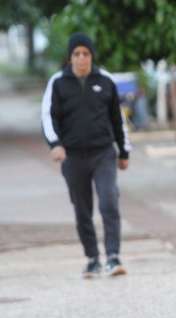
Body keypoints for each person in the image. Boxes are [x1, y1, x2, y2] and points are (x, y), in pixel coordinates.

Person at [41, 32, 131, 278]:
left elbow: (117, 119)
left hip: (103, 153)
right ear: (70, 58)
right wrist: (55, 144)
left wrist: (124, 151)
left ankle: (113, 256)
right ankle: (92, 258)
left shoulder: (106, 81)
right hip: (72, 156)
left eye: (86, 54)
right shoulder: (57, 83)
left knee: (109, 201)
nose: (81, 59)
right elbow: (48, 117)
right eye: (76, 54)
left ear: (92, 56)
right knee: (82, 209)